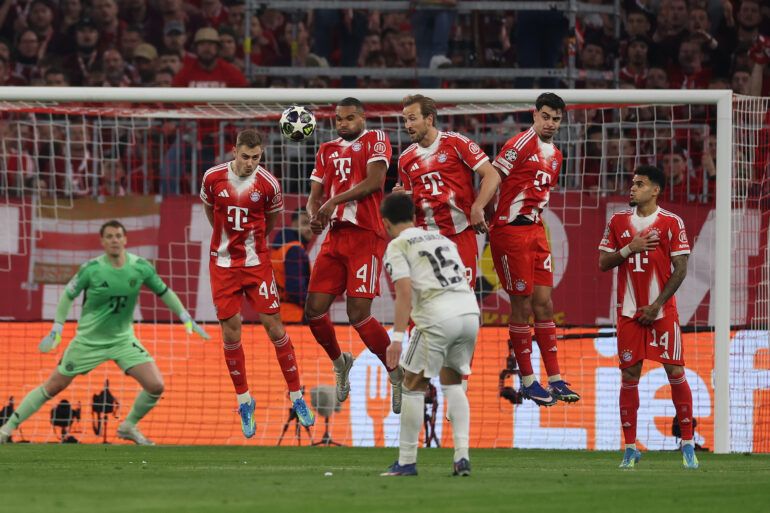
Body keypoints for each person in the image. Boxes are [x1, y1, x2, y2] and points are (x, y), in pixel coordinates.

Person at [0, 220, 209, 445]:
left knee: (155, 386)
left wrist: (185, 316)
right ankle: (6, 430)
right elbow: (68, 295)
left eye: (118, 235)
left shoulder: (140, 267)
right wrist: (57, 328)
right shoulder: (91, 269)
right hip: (88, 341)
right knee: (53, 386)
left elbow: (164, 291)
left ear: (125, 239)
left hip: (122, 340)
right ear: (102, 241)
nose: (114, 240)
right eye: (109, 236)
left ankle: (128, 426)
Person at [200, 128, 314, 438]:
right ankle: (244, 401)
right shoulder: (213, 177)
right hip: (223, 264)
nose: (250, 163)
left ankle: (296, 395)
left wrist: (253, 245)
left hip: (256, 264)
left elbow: (271, 221)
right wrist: (226, 240)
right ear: (234, 151)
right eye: (245, 156)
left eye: (256, 157)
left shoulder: (269, 184)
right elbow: (210, 211)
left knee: (275, 328)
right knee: (230, 332)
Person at [305, 97, 403, 413]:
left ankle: (396, 372)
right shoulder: (326, 150)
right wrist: (314, 216)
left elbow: (375, 182)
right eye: (338, 119)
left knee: (358, 314)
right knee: (313, 311)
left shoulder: (376, 139)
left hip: (366, 236)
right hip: (335, 238)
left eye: (349, 118)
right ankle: (340, 362)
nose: (343, 124)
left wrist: (334, 202)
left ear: (362, 118)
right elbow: (314, 197)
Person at [598, 165, 698, 470]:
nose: (632, 188)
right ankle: (630, 449)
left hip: (662, 312)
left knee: (674, 371)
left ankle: (688, 444)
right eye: (632, 183)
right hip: (629, 313)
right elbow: (603, 262)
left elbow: (681, 269)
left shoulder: (671, 222)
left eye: (639, 184)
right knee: (629, 376)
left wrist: (657, 304)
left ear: (655, 190)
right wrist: (630, 248)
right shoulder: (618, 221)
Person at [379, 193, 479, 477]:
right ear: (414, 217)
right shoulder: (444, 240)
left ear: (385, 223)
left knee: (411, 385)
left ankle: (407, 461)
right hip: (469, 313)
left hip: (437, 317)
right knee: (453, 383)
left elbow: (404, 292)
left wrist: (397, 339)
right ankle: (462, 457)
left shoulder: (397, 245)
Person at [489, 92, 579, 407]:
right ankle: (528, 381)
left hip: (536, 231)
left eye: (556, 119)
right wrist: (482, 211)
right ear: (535, 114)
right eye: (546, 116)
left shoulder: (556, 156)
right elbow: (492, 178)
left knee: (544, 304)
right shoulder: (517, 145)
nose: (550, 123)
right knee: (522, 305)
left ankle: (555, 379)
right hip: (510, 232)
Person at [397, 93, 500, 288]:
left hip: (460, 233)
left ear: (429, 119)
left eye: (412, 119)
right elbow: (411, 209)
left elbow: (492, 175)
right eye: (405, 120)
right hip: (426, 237)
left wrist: (478, 207)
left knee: (462, 299)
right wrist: (402, 201)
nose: (407, 125)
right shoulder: (405, 159)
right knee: (428, 302)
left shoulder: (455, 142)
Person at [270, 210, 312, 323]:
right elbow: (295, 289)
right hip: (295, 316)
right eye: (305, 223)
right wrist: (314, 306)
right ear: (294, 224)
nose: (309, 228)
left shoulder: (278, 247)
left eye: (311, 224)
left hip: (277, 314)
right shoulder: (294, 250)